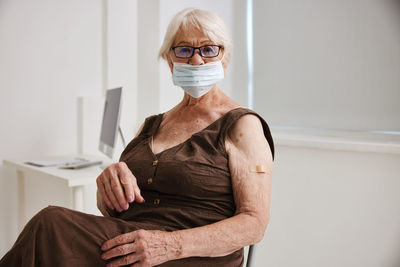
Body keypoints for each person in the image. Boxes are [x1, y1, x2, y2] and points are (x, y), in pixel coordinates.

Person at [0, 8, 274, 267]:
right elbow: (113, 210)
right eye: (184, 49)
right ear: (169, 59)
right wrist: (106, 189)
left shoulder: (242, 125)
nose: (196, 59)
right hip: (132, 244)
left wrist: (169, 245)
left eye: (209, 49)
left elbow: (254, 222)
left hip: (190, 256)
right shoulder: (152, 125)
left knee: (50, 226)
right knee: (51, 235)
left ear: (224, 58)